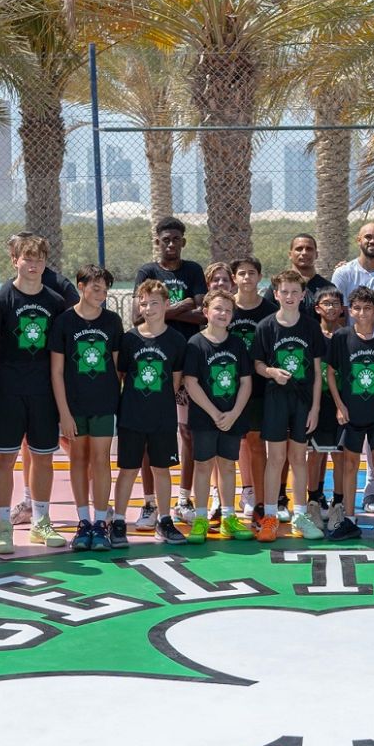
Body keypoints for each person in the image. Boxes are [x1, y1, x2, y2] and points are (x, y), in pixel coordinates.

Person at [0, 233, 68, 555]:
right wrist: (7, 377)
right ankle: (4, 525)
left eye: (39, 259)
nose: (33, 265)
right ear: (14, 260)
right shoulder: (0, 301)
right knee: (4, 457)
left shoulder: (56, 302)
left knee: (43, 457)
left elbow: (60, 352)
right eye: (27, 259)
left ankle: (41, 522)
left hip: (44, 392)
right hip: (9, 392)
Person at [132, 217, 207, 530]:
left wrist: (165, 309)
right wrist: (184, 304)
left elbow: (202, 313)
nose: (171, 244)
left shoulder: (193, 271)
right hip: (153, 359)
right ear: (158, 242)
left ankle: (183, 498)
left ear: (183, 242)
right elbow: (138, 317)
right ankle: (149, 503)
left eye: (176, 239)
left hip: (186, 357)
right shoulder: (147, 272)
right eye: (166, 240)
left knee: (187, 432)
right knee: (149, 436)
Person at [6, 232, 78, 526]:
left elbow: (76, 323)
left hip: (56, 379)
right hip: (25, 383)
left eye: (35, 255)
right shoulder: (10, 290)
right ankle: (28, 501)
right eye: (22, 254)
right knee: (28, 443)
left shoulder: (59, 288)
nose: (29, 261)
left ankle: (92, 502)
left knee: (71, 441)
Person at [49, 264, 123, 551]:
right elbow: (56, 371)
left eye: (105, 290)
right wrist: (64, 413)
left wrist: (113, 399)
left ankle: (100, 523)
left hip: (104, 404)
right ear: (80, 286)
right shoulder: (64, 322)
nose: (100, 294)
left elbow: (117, 367)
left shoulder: (113, 321)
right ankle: (83, 522)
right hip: (74, 405)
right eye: (95, 288)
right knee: (78, 458)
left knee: (101, 460)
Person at [111, 279, 188, 547]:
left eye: (154, 302)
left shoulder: (176, 341)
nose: (148, 308)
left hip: (162, 417)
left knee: (162, 468)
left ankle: (164, 520)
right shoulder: (130, 338)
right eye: (143, 303)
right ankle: (119, 521)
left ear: (167, 305)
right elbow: (120, 376)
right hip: (132, 416)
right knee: (127, 469)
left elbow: (175, 381)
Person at [252, 270, 326, 542]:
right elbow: (257, 364)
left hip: (303, 400)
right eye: (285, 291)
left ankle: (300, 514)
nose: (290, 296)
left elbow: (318, 372)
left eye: (295, 292)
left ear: (303, 295)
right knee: (275, 459)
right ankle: (270, 515)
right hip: (275, 399)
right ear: (275, 294)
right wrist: (271, 372)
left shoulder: (310, 326)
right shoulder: (266, 327)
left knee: (299, 458)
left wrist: (316, 408)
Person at [327, 286, 374, 542]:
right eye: (357, 308)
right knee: (350, 465)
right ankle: (349, 518)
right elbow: (330, 371)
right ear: (350, 311)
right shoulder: (342, 337)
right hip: (351, 412)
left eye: (367, 308)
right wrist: (339, 404)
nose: (362, 313)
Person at [182, 290, 255, 543]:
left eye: (228, 310)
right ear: (206, 312)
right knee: (203, 466)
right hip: (205, 417)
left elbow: (246, 382)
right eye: (218, 309)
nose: (223, 314)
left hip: (231, 417)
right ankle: (201, 518)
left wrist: (234, 413)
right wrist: (214, 412)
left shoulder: (236, 344)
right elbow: (191, 382)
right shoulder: (195, 344)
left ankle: (228, 517)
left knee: (227, 465)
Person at [227, 257, 277, 519]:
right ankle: (226, 499)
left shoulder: (269, 310)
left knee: (256, 442)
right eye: (242, 274)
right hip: (226, 385)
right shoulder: (224, 308)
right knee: (228, 444)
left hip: (258, 386)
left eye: (252, 273)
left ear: (259, 277)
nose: (247, 278)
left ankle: (259, 499)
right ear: (234, 278)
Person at [308, 286, 345, 531]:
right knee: (315, 454)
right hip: (317, 402)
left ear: (342, 309)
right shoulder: (311, 334)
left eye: (335, 303)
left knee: (339, 454)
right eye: (326, 303)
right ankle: (313, 502)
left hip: (342, 403)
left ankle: (338, 505)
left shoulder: (348, 335)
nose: (330, 307)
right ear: (317, 308)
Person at [264, 233, 335, 317]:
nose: (304, 253)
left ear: (316, 255)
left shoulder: (327, 287)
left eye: (309, 249)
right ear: (290, 255)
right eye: (299, 249)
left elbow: (338, 321)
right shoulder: (278, 286)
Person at [332, 223, 374, 313]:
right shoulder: (343, 273)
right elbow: (338, 312)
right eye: (368, 237)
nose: (372, 241)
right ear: (359, 240)